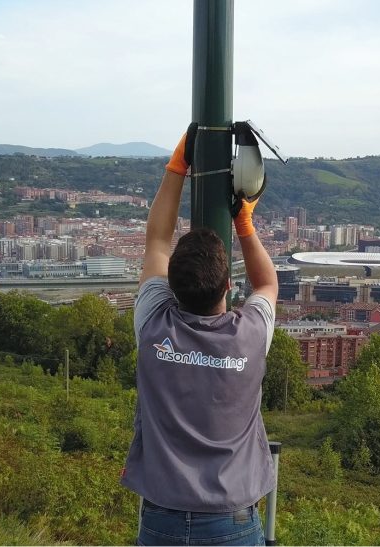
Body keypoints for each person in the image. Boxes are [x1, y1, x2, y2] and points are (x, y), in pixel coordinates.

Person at [121, 124, 279, 546]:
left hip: (162, 519)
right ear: (228, 285)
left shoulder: (154, 325)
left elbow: (157, 241)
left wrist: (179, 165)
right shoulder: (249, 337)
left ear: (171, 288)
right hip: (232, 520)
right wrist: (244, 223)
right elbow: (267, 284)